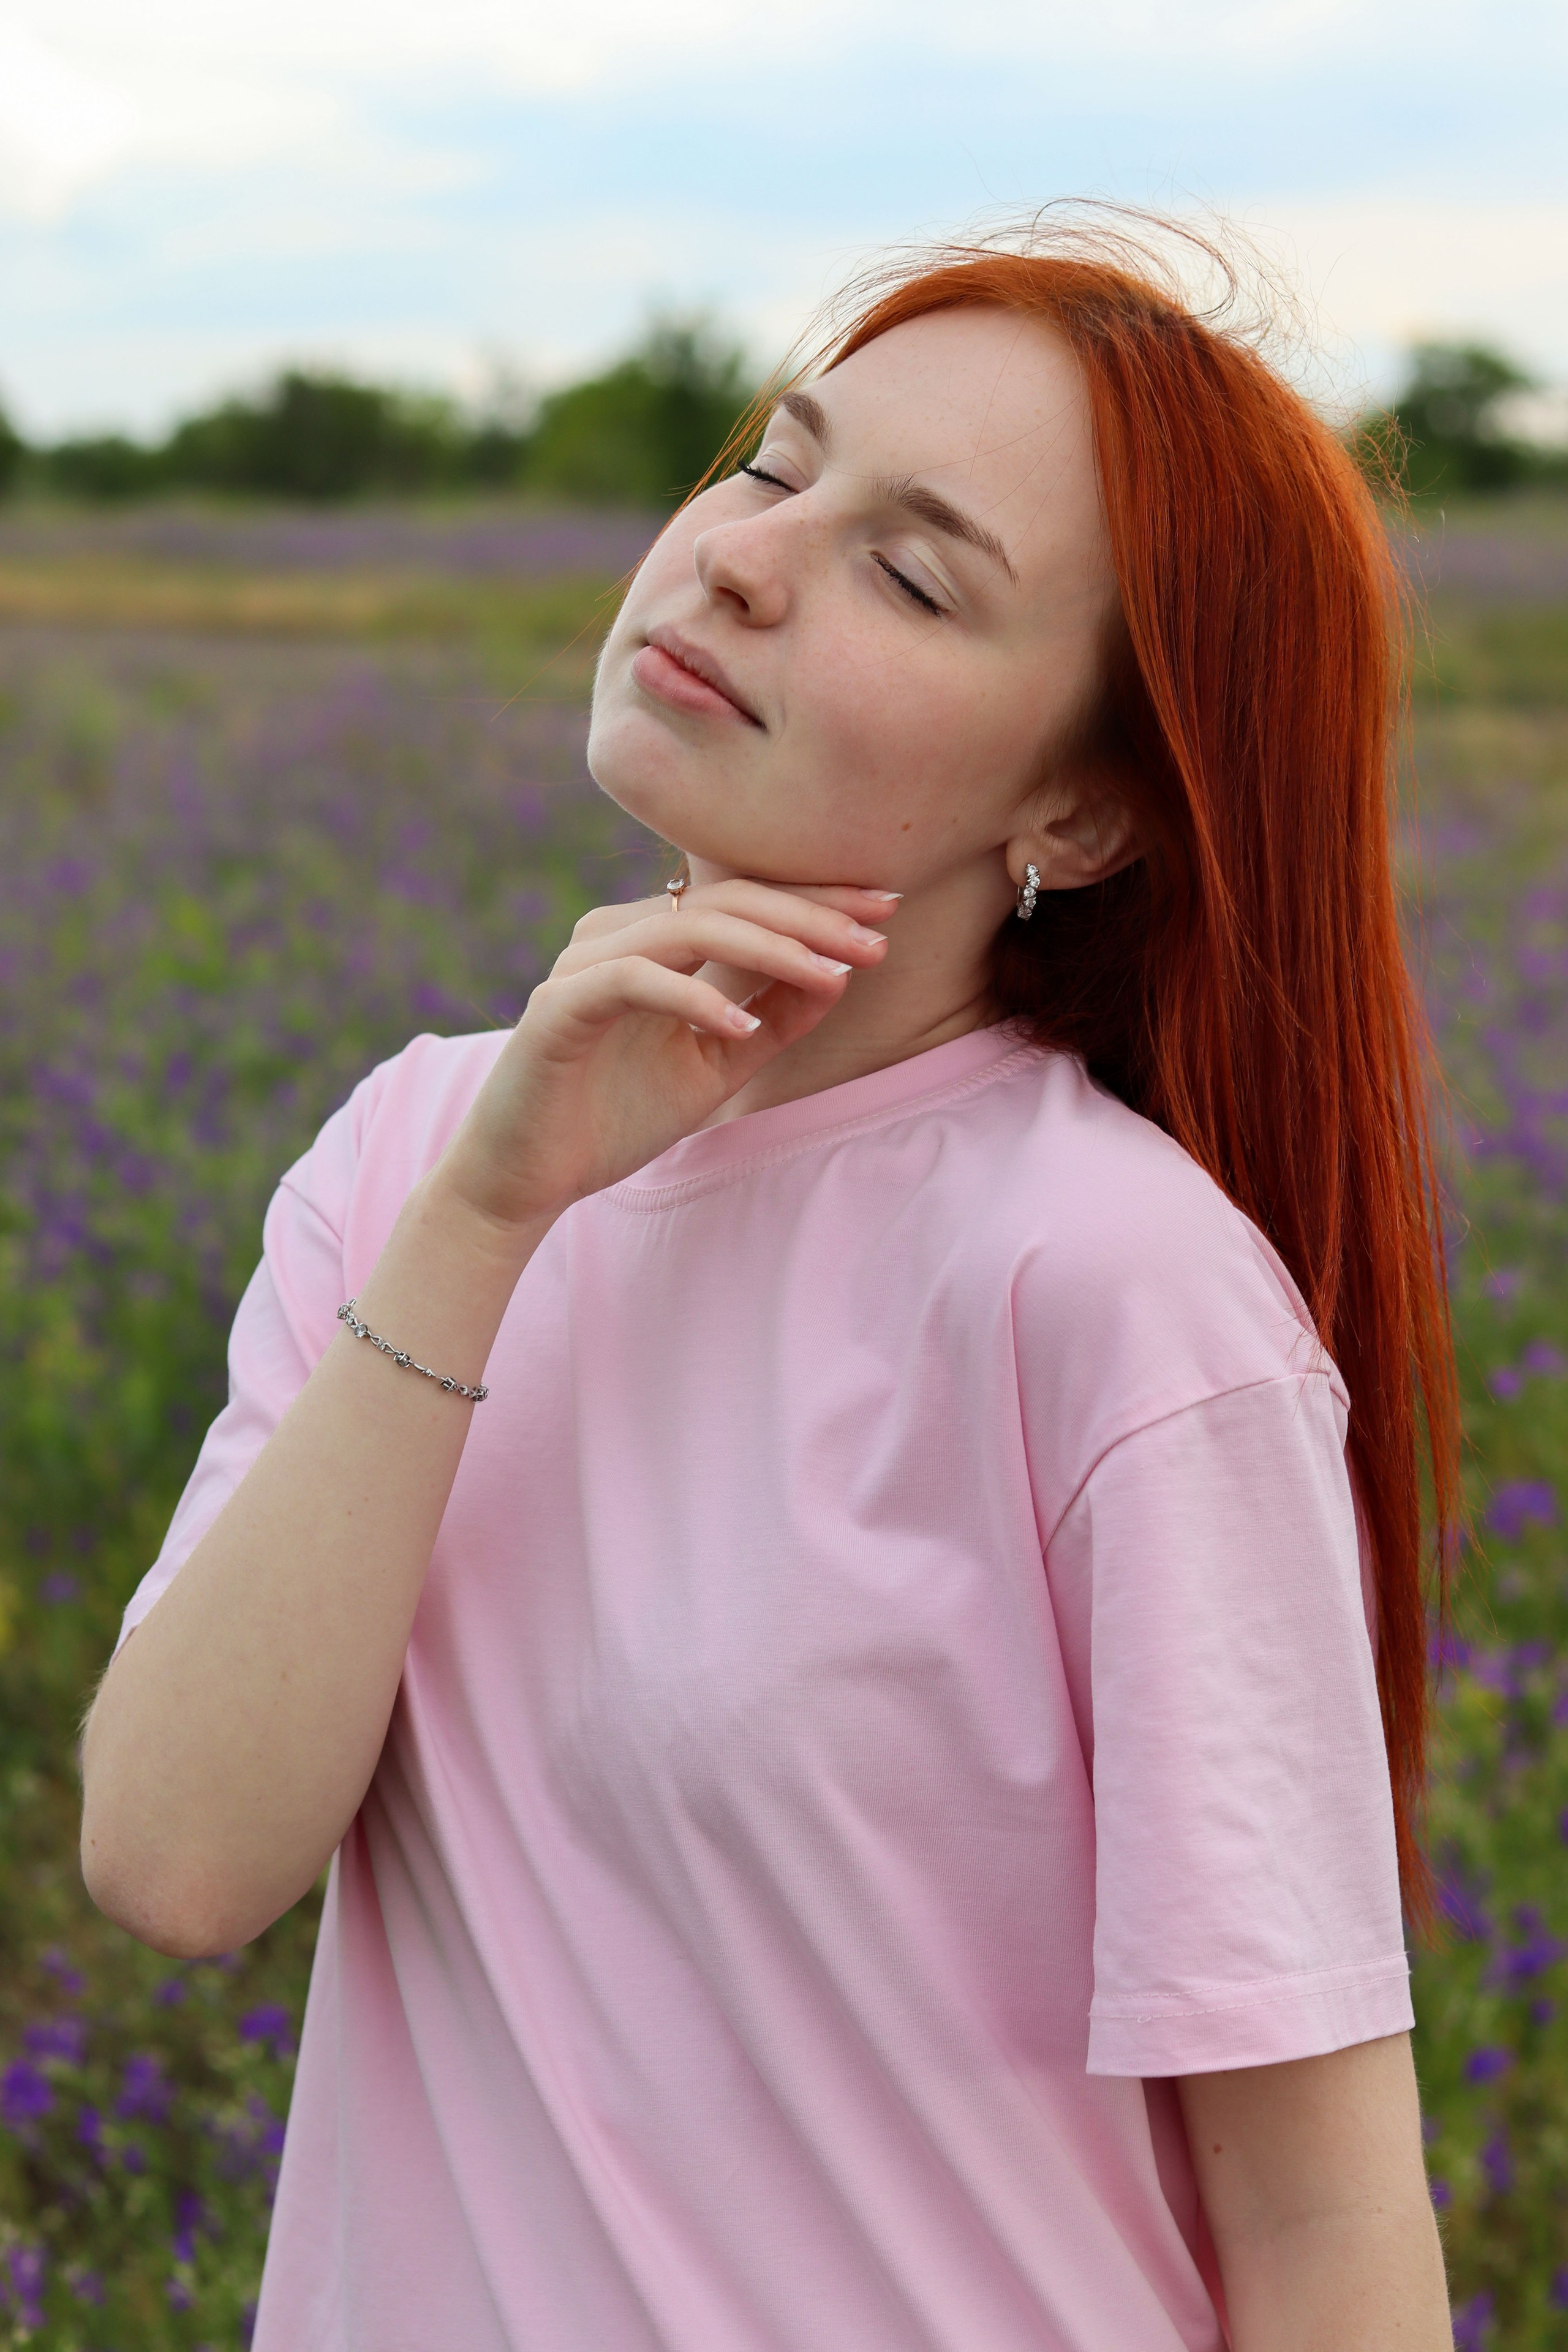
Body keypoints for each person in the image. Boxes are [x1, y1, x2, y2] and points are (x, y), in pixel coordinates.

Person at [80, 219, 1458, 2350]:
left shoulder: (1103, 1289)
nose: (743, 557)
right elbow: (176, 1862)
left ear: (1083, 815)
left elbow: (1322, 2218)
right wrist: (485, 1215)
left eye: (914, 571)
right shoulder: (407, 1163)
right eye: (773, 464)